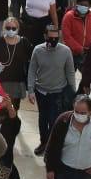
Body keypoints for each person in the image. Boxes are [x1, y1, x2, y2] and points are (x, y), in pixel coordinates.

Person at [27, 24, 76, 154]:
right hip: (41, 91)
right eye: (51, 38)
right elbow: (32, 70)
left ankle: (51, 145)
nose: (53, 41)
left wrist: (73, 93)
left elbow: (70, 72)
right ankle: (44, 142)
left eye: (56, 38)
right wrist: (31, 90)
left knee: (54, 120)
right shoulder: (38, 50)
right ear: (45, 36)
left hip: (58, 93)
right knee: (43, 118)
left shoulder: (66, 51)